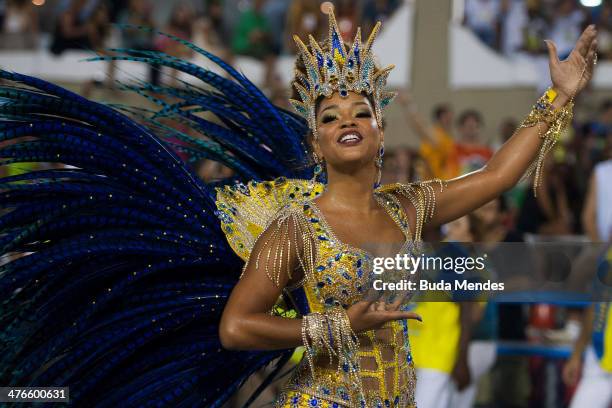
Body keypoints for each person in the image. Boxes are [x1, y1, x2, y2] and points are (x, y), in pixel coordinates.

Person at [0, 8, 598, 408]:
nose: (347, 122)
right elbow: (236, 328)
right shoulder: (294, 228)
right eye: (330, 117)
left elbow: (496, 175)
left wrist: (559, 97)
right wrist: (335, 325)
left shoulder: (411, 207)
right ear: (314, 142)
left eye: (361, 111)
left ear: (381, 130)